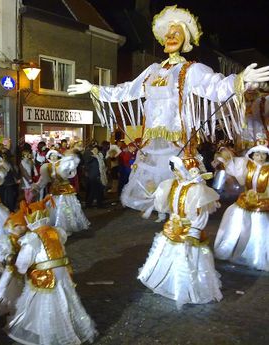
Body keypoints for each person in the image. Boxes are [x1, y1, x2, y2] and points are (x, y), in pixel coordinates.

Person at [68, 5, 269, 215]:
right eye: (168, 34)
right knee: (158, 192)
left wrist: (240, 80)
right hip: (152, 141)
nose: (171, 37)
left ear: (185, 41)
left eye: (177, 34)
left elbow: (214, 85)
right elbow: (126, 90)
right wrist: (94, 88)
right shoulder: (152, 71)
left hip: (178, 140)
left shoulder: (191, 70)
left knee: (182, 195)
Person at [7, 197, 97, 345]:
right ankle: (68, 327)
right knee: (65, 297)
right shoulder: (56, 231)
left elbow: (23, 262)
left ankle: (48, 332)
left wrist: (17, 267)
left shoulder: (32, 237)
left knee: (44, 302)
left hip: (46, 275)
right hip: (63, 271)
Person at [138, 153, 222, 308]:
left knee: (187, 260)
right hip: (172, 227)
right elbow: (164, 206)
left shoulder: (197, 190)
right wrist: (155, 192)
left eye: (178, 170)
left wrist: (194, 232)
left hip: (188, 230)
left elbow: (201, 213)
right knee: (169, 255)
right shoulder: (172, 184)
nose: (176, 173)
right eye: (174, 170)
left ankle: (190, 290)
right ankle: (169, 283)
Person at [214, 136, 269, 271]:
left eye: (263, 154)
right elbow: (233, 168)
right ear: (252, 155)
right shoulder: (246, 165)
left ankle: (256, 255)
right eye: (257, 154)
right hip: (245, 200)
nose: (260, 157)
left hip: (262, 203)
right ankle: (235, 250)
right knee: (236, 221)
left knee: (260, 228)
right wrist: (226, 158)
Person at [33, 150, 90, 235]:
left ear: (58, 156)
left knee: (64, 209)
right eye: (51, 155)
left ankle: (66, 227)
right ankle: (56, 226)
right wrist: (37, 187)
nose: (53, 157)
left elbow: (71, 168)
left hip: (65, 191)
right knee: (54, 209)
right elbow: (43, 180)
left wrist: (71, 158)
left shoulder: (63, 164)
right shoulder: (46, 167)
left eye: (54, 155)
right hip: (54, 191)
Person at [0, 210, 28, 316]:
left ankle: (20, 304)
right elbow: (1, 252)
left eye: (23, 226)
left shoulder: (25, 239)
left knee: (21, 286)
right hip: (11, 268)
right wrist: (8, 257)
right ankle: (4, 303)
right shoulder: (7, 240)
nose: (22, 228)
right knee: (8, 286)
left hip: (23, 267)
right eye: (19, 226)